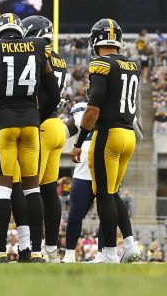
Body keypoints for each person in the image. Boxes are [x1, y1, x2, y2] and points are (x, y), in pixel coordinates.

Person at [0, 14, 58, 262]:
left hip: (4, 124)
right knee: (32, 189)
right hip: (30, 125)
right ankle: (36, 251)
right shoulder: (38, 47)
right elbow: (55, 94)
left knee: (2, 190)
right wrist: (37, 117)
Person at [71, 18, 141, 264]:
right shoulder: (132, 65)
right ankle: (130, 246)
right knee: (112, 192)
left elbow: (93, 108)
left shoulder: (100, 64)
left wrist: (79, 140)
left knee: (103, 193)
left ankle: (109, 253)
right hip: (128, 135)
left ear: (95, 40)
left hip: (108, 135)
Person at [22, 14, 67, 261]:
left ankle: (34, 247)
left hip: (40, 125)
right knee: (49, 191)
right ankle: (51, 249)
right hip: (57, 125)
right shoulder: (58, 59)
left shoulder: (35, 56)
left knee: (31, 190)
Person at [61, 101, 96, 263]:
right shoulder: (81, 110)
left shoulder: (115, 106)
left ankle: (106, 253)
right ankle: (69, 254)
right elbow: (63, 132)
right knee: (74, 215)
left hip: (105, 168)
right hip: (83, 171)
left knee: (108, 215)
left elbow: (137, 132)